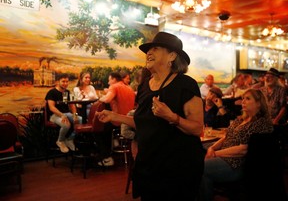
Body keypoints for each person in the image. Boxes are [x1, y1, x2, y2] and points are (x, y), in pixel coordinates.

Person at [96, 32, 205, 200]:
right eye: (148, 50)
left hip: (178, 166)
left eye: (156, 48)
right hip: (149, 163)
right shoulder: (145, 86)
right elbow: (145, 123)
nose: (149, 53)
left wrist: (171, 117)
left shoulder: (186, 84)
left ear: (172, 55)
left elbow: (197, 129)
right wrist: (115, 116)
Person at [198, 89, 273, 201]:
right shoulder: (241, 119)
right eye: (243, 98)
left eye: (247, 99)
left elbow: (243, 150)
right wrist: (212, 148)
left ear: (259, 103)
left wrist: (215, 153)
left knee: (199, 168)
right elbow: (226, 137)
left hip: (237, 164)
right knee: (198, 167)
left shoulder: (261, 123)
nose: (243, 101)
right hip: (223, 157)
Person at [98, 72, 135, 166]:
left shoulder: (114, 86)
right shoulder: (129, 88)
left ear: (114, 79)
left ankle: (107, 158)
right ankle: (114, 141)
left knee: (98, 128)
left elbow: (107, 100)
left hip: (118, 121)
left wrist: (100, 97)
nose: (108, 82)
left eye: (109, 80)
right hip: (129, 121)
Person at [45, 73, 82, 153]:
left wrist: (75, 115)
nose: (65, 83)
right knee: (66, 124)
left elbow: (72, 105)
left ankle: (69, 139)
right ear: (58, 82)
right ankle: (60, 141)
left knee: (80, 120)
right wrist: (62, 115)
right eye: (63, 81)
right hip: (54, 115)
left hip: (66, 114)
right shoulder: (52, 92)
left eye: (67, 81)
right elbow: (51, 107)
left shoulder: (67, 92)